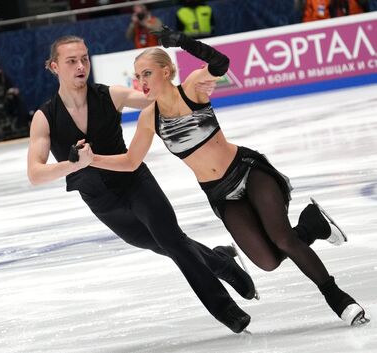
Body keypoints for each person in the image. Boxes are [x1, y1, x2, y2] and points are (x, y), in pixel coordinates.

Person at [90, 26, 370, 327]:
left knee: (282, 238)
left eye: (147, 73)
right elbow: (131, 161)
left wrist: (184, 42)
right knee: (268, 261)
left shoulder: (193, 87)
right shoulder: (149, 117)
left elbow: (221, 62)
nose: (141, 82)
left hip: (248, 171)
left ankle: (338, 299)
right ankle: (313, 225)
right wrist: (92, 159)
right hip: (221, 194)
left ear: (167, 71)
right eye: (137, 76)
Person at [27, 35, 257, 334]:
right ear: (54, 66)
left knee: (172, 240)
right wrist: (72, 165)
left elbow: (160, 96)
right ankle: (222, 262)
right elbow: (35, 173)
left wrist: (195, 87)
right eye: (72, 61)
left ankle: (226, 310)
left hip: (135, 182)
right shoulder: (45, 117)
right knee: (160, 243)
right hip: (101, 201)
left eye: (84, 58)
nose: (81, 65)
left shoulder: (111, 95)